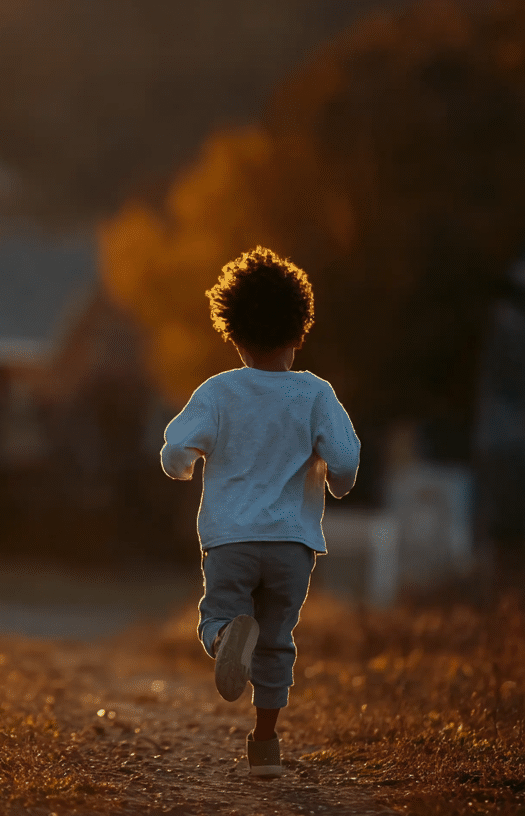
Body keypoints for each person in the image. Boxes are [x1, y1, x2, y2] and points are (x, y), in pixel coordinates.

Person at [160, 247, 360, 778]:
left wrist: (183, 467)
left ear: (233, 332)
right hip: (293, 545)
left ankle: (226, 639)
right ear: (300, 329)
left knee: (219, 613)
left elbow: (175, 448)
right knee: (276, 641)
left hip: (231, 540)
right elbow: (345, 458)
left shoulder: (219, 392)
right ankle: (265, 749)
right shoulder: (316, 394)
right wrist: (338, 483)